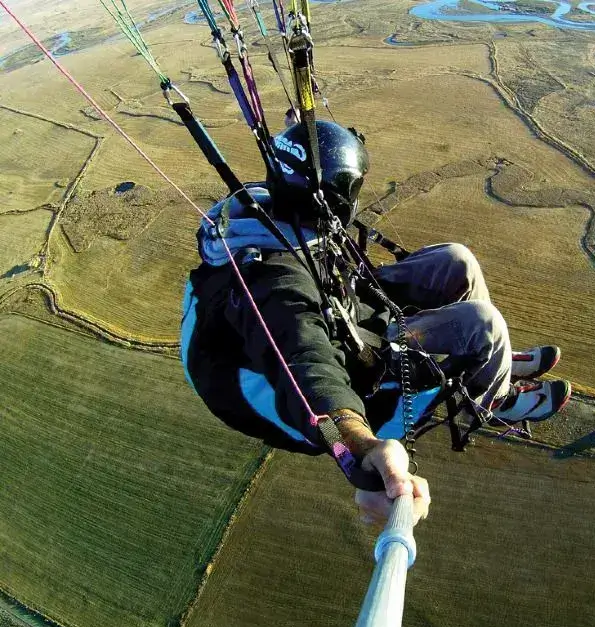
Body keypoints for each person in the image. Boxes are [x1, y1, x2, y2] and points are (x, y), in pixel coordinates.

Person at [180, 120, 572, 526]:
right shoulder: (280, 291)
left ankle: (493, 366)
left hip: (338, 306)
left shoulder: (279, 208)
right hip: (291, 382)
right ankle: (490, 400)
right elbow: (309, 368)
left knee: (457, 261)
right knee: (484, 327)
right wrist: (362, 451)